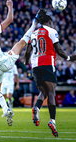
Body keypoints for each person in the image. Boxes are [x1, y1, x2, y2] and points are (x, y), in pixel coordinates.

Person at [25, 8, 76, 137]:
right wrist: (69, 58)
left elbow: (27, 52)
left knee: (43, 92)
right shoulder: (51, 31)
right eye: (51, 22)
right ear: (48, 21)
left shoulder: (33, 33)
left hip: (35, 65)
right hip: (47, 62)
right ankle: (52, 121)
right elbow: (58, 50)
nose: (52, 23)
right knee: (52, 92)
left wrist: (26, 62)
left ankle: (36, 108)